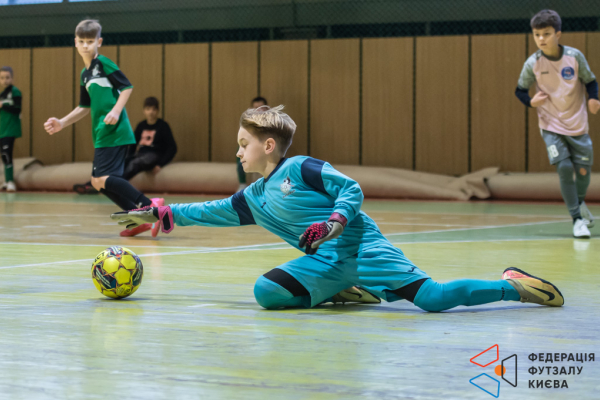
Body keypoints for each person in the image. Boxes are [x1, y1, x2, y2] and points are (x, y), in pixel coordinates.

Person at [112, 105, 564, 311]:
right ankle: (342, 290)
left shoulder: (302, 167)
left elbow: (352, 190)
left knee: (433, 299)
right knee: (266, 293)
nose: (237, 152)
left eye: (243, 144)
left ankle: (515, 287)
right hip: (324, 264)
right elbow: (210, 211)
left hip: (362, 248)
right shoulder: (252, 197)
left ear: (268, 146)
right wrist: (159, 213)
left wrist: (334, 223)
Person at [44, 19, 163, 238]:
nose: (86, 45)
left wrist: (116, 111)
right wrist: (62, 122)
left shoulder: (103, 63)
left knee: (100, 180)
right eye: (82, 41)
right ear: (75, 43)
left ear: (99, 42)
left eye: (90, 41)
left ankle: (150, 205)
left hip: (114, 131)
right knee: (99, 183)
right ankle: (139, 218)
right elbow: (84, 106)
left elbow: (127, 87)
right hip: (101, 133)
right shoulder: (85, 73)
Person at [515, 9, 600, 239]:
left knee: (583, 173)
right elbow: (520, 90)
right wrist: (531, 102)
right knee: (563, 167)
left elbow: (591, 82)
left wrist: (594, 99)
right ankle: (577, 220)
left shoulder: (574, 57)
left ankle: (579, 202)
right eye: (537, 34)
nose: (541, 39)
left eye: (546, 33)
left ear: (558, 34)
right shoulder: (533, 63)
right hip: (550, 125)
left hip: (577, 125)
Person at [123, 96, 177, 180]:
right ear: (144, 111)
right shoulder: (141, 125)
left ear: (157, 111)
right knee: (124, 162)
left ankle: (119, 183)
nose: (151, 112)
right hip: (141, 154)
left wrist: (160, 164)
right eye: (148, 109)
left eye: (153, 109)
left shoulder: (163, 126)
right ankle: (110, 182)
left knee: (135, 163)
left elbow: (172, 147)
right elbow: (133, 144)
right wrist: (128, 157)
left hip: (154, 155)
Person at [237, 96, 268, 192]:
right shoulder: (248, 123)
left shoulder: (274, 121)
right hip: (252, 148)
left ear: (267, 108)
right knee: (241, 155)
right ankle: (242, 184)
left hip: (267, 148)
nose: (259, 111)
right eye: (256, 108)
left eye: (261, 108)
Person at [0, 66, 22, 192]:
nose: (5, 80)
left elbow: (17, 109)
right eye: (2, 78)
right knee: (3, 155)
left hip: (10, 129)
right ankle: (6, 180)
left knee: (7, 154)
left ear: (12, 78)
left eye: (7, 77)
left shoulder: (15, 92)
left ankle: (11, 182)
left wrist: (3, 106)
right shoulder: (2, 95)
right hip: (2, 130)